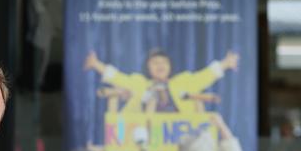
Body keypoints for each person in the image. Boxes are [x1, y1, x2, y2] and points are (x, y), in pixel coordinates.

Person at [84, 48, 238, 114]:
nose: (160, 65)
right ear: (148, 67)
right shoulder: (139, 83)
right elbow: (118, 78)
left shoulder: (182, 82)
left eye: (164, 62)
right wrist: (96, 64)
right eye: (155, 63)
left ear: (170, 66)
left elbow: (204, 76)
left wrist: (226, 63)